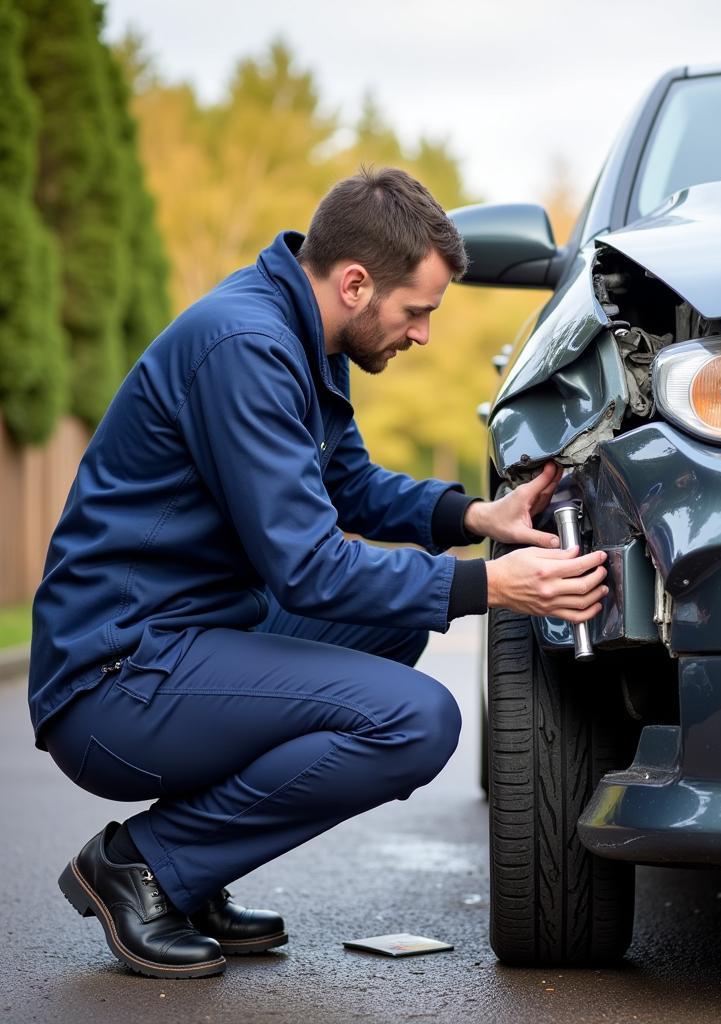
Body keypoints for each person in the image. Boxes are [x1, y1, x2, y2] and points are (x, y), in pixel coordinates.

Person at [28, 167, 609, 979]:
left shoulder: (304, 334)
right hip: (115, 679)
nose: (423, 336)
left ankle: (191, 873)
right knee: (416, 722)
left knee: (398, 617)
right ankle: (147, 867)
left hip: (188, 640)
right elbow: (308, 569)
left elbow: (347, 487)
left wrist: (474, 518)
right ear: (356, 282)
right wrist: (489, 586)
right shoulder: (248, 348)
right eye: (418, 312)